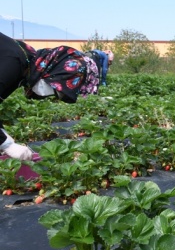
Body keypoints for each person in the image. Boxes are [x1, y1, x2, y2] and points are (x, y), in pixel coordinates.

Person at [0, 31, 100, 161]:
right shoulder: (14, 63)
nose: (50, 97)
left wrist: (4, 135)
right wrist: (7, 144)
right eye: (55, 91)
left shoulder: (24, 65)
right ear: (53, 76)